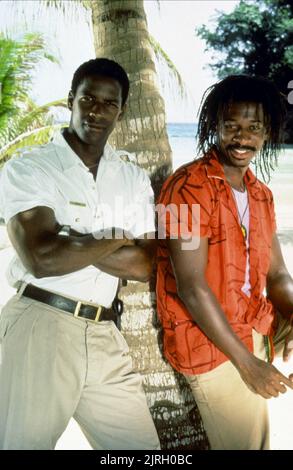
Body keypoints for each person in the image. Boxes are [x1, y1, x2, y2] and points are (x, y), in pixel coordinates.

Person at [0, 58, 160, 450]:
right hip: (42, 325)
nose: (96, 110)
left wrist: (69, 235)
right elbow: (43, 258)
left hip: (106, 332)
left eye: (109, 103)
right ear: (70, 100)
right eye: (88, 98)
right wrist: (117, 237)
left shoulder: (132, 177)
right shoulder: (30, 168)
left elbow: (145, 264)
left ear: (121, 111)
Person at [156, 75, 293, 450]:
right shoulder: (187, 187)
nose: (242, 138)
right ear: (214, 126)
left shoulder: (260, 194)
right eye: (231, 126)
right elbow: (192, 287)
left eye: (253, 128)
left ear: (267, 132)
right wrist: (248, 364)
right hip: (212, 344)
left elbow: (277, 273)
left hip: (253, 327)